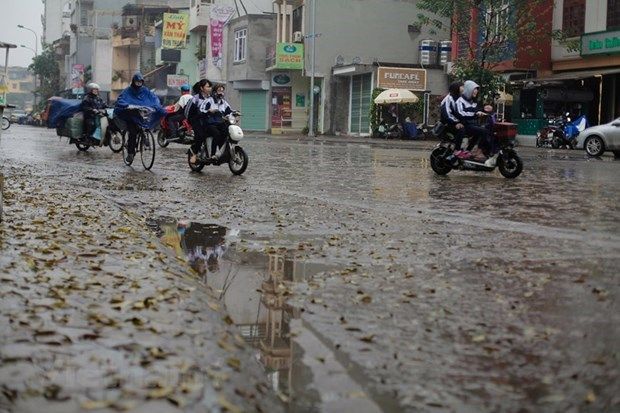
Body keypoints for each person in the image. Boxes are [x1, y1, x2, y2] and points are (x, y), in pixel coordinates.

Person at [114, 73, 166, 164]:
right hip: (131, 116)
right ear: (133, 82)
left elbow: (153, 98)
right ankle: (130, 153)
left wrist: (156, 105)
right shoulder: (127, 91)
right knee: (133, 133)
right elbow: (121, 99)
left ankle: (144, 139)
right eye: (137, 82)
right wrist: (127, 105)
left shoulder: (145, 90)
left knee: (146, 126)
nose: (138, 84)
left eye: (140, 82)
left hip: (142, 115)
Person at [456, 80, 490, 162]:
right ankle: (478, 152)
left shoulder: (473, 101)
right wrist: (475, 114)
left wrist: (482, 111)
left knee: (484, 129)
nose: (476, 91)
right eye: (474, 89)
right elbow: (461, 114)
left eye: (477, 89)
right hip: (464, 124)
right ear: (468, 89)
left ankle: (468, 151)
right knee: (484, 131)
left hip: (471, 124)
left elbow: (475, 111)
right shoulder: (460, 101)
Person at [186, 79, 214, 164]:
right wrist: (190, 123)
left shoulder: (212, 98)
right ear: (202, 88)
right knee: (200, 136)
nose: (210, 88)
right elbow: (187, 112)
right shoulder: (195, 99)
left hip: (207, 120)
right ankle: (194, 153)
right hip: (196, 120)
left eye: (210, 87)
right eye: (207, 86)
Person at [204, 84, 235, 160]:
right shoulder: (209, 100)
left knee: (227, 133)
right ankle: (212, 154)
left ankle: (222, 152)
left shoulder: (223, 102)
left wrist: (235, 113)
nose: (221, 93)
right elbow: (202, 109)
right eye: (219, 91)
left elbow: (229, 110)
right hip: (210, 123)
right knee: (216, 134)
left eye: (222, 91)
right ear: (214, 92)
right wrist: (209, 110)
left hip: (220, 123)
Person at [440, 81, 468, 158]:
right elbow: (447, 114)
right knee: (461, 130)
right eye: (462, 86)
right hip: (448, 124)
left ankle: (468, 150)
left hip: (456, 122)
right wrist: (456, 122)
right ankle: (457, 150)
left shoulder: (460, 98)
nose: (464, 88)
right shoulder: (448, 99)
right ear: (456, 88)